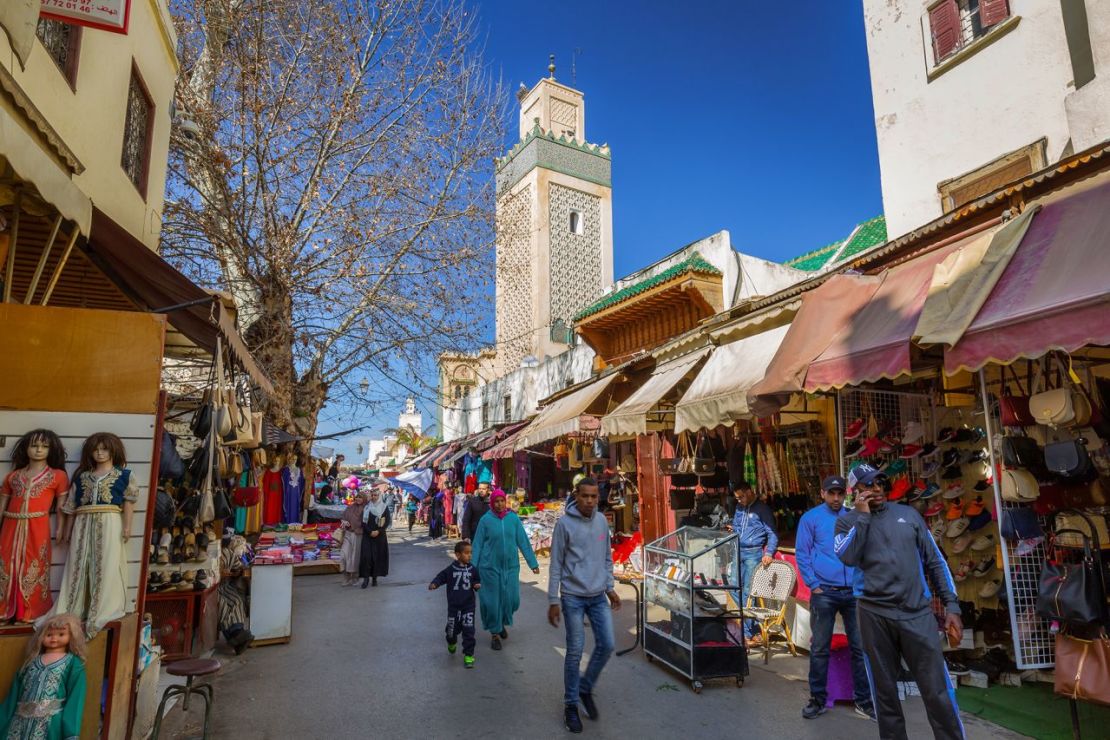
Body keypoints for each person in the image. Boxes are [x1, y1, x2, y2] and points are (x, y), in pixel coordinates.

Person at [835, 463, 964, 740]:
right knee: (885, 693)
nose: (876, 488)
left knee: (937, 691)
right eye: (868, 485)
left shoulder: (909, 515)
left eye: (879, 482)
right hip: (873, 615)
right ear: (855, 491)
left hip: (917, 614)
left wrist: (951, 606)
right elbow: (847, 556)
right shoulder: (846, 522)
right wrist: (863, 517)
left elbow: (936, 562)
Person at [795, 475, 874, 721]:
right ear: (823, 493)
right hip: (825, 592)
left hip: (853, 592)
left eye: (840, 493)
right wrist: (814, 585)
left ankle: (863, 700)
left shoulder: (853, 515)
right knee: (819, 648)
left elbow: (866, 548)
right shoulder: (810, 518)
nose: (836, 498)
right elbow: (802, 552)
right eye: (832, 493)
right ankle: (817, 699)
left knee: (860, 648)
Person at [547, 477, 619, 734]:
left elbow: (606, 557)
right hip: (572, 596)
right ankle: (571, 705)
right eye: (585, 496)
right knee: (575, 651)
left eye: (593, 496)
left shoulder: (601, 521)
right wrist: (553, 600)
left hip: (598, 595)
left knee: (607, 644)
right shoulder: (564, 524)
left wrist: (610, 588)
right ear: (576, 496)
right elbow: (555, 564)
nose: (589, 501)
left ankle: (585, 686)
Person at [471, 489, 539, 651]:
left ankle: (500, 623)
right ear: (492, 503)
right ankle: (495, 633)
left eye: (502, 501)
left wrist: (533, 563)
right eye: (496, 501)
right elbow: (478, 545)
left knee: (512, 600)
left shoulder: (513, 519)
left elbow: (523, 541)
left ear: (506, 502)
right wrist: (472, 570)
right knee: (492, 603)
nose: (500, 504)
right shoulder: (485, 521)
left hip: (511, 567)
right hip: (489, 568)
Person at [0, 613, 86, 739]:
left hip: (51, 726)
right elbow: (12, 696)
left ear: (72, 636)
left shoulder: (73, 664)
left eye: (61, 634)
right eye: (49, 634)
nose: (54, 638)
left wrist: (71, 732)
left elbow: (76, 699)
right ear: (41, 636)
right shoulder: (30, 663)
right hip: (18, 723)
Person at [729, 480, 778, 644]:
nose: (740, 500)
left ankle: (750, 632)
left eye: (742, 497)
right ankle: (751, 629)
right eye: (737, 498)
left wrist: (769, 552)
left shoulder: (762, 509)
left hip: (753, 553)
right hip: (738, 551)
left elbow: (772, 533)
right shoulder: (739, 508)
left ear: (750, 491)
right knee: (733, 587)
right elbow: (737, 526)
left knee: (749, 593)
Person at [428, 540, 482, 669]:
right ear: (458, 555)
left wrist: (476, 585)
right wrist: (435, 583)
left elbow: (476, 580)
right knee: (452, 632)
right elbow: (441, 576)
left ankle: (468, 655)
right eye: (466, 553)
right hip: (454, 607)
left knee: (469, 631)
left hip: (468, 606)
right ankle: (451, 641)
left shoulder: (473, 569)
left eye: (471, 553)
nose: (470, 556)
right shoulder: (451, 569)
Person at [218, 534, 254, 653]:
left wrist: (237, 572)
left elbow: (239, 567)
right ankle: (235, 636)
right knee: (223, 604)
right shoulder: (214, 556)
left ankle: (238, 633)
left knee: (237, 601)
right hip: (215, 589)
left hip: (225, 587)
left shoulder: (228, 553)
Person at [358, 486, 392, 588]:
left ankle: (374, 578)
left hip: (379, 536)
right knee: (366, 558)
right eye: (372, 495)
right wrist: (370, 532)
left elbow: (386, 522)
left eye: (375, 495)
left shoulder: (384, 507)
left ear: (379, 496)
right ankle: (366, 579)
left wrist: (378, 531)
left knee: (377, 558)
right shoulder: (367, 507)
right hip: (368, 536)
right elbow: (363, 523)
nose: (374, 497)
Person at [339, 492, 366, 586]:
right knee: (343, 555)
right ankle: (345, 576)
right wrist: (344, 522)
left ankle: (355, 577)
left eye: (360, 497)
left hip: (358, 535)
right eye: (357, 497)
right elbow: (343, 517)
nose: (358, 499)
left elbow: (366, 523)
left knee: (354, 558)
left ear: (364, 499)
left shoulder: (366, 509)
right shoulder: (350, 507)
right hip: (348, 533)